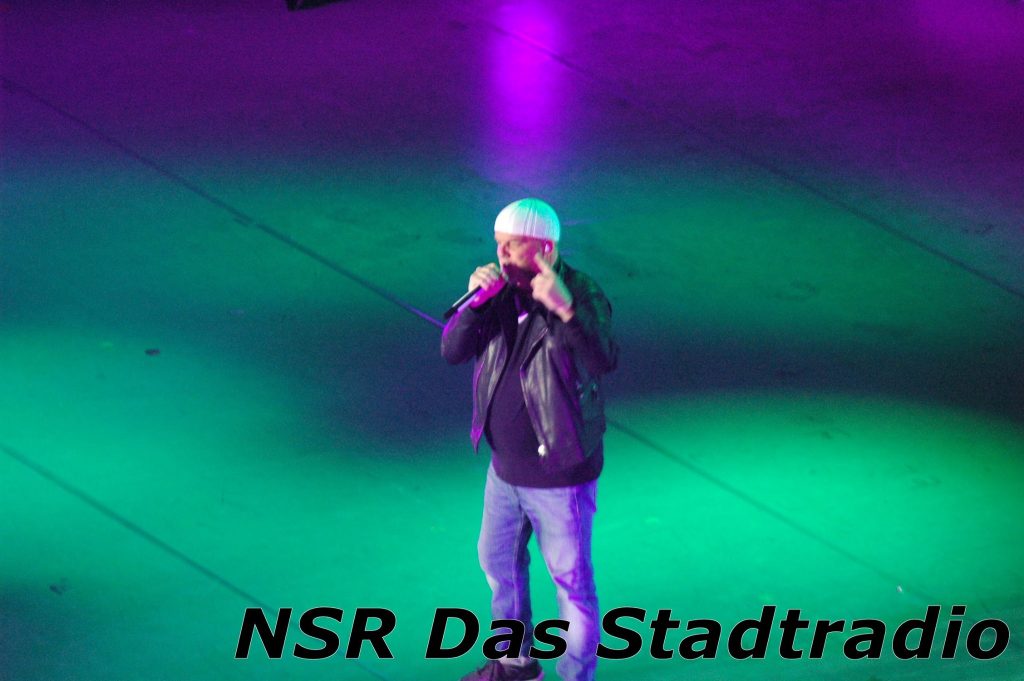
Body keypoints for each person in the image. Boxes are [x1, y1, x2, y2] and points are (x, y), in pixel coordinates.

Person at [441, 198, 618, 681]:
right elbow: (453, 350)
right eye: (498, 244)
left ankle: (576, 676)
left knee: (571, 586)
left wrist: (565, 311)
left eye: (512, 245)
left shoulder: (581, 293)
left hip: (559, 474)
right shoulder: (498, 292)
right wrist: (474, 304)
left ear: (545, 248)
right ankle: (515, 663)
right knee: (497, 561)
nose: (500, 254)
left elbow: (602, 358)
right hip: (504, 470)